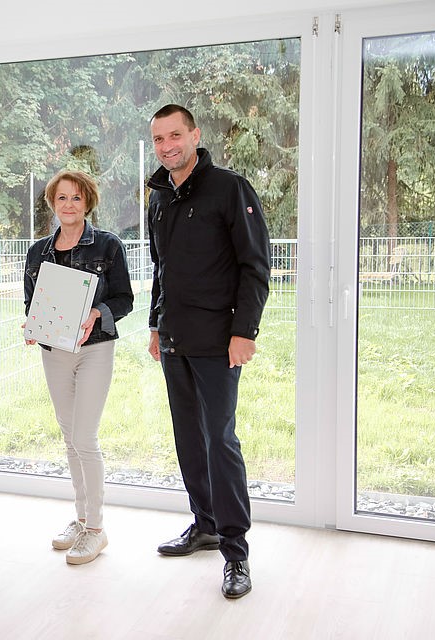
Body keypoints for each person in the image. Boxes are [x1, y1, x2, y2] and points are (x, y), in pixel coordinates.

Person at [146, 104, 271, 599]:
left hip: (219, 341)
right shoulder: (160, 196)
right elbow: (161, 270)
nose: (167, 146)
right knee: (189, 438)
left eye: (175, 135)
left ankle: (236, 551)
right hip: (174, 339)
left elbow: (254, 265)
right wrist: (156, 324)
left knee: (219, 439)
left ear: (195, 135)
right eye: (159, 139)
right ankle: (205, 524)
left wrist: (245, 331)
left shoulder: (229, 188)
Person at [23, 170, 134, 565]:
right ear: (52, 203)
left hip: (95, 349)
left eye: (76, 198)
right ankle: (82, 518)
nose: (68, 205)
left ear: (87, 202)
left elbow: (124, 299)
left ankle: (97, 530)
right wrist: (32, 325)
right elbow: (31, 302)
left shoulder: (108, 246)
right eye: (61, 198)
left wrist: (96, 312)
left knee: (85, 437)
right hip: (54, 351)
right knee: (70, 437)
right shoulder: (38, 252)